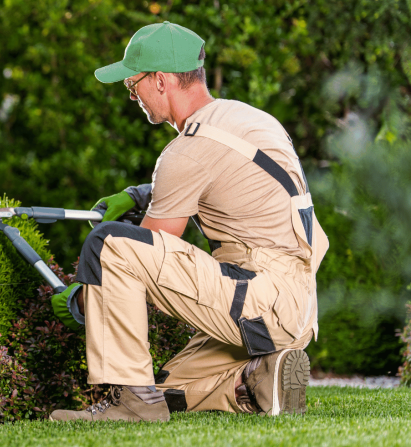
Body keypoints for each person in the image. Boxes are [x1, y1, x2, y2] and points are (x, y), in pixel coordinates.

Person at [48, 22, 329, 422]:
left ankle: (134, 405)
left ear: (160, 81)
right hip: (294, 306)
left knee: (108, 244)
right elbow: (229, 182)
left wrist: (82, 299)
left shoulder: (188, 150)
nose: (132, 95)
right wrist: (140, 194)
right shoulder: (246, 119)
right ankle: (255, 379)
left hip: (259, 301)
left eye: (133, 84)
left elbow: (143, 257)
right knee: (164, 388)